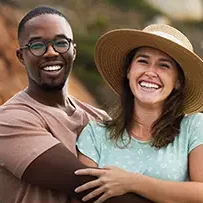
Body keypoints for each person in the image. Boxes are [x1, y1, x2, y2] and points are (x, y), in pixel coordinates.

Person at [0, 6, 153, 203]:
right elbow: (89, 185)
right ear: (21, 56)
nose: (51, 52)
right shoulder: (9, 121)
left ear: (74, 50)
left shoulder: (98, 118)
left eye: (61, 43)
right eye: (37, 46)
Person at [74, 24, 203, 203]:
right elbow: (84, 196)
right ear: (129, 71)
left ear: (178, 81)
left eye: (164, 65)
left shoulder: (194, 127)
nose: (150, 72)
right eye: (143, 61)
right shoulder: (95, 134)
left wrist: (133, 182)